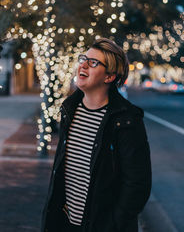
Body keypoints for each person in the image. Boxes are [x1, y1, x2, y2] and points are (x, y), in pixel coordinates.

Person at [41, 38, 152, 232]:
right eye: (83, 58)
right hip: (64, 223)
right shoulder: (70, 109)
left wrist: (113, 224)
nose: (82, 65)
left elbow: (137, 185)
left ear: (109, 77)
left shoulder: (126, 120)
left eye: (93, 63)